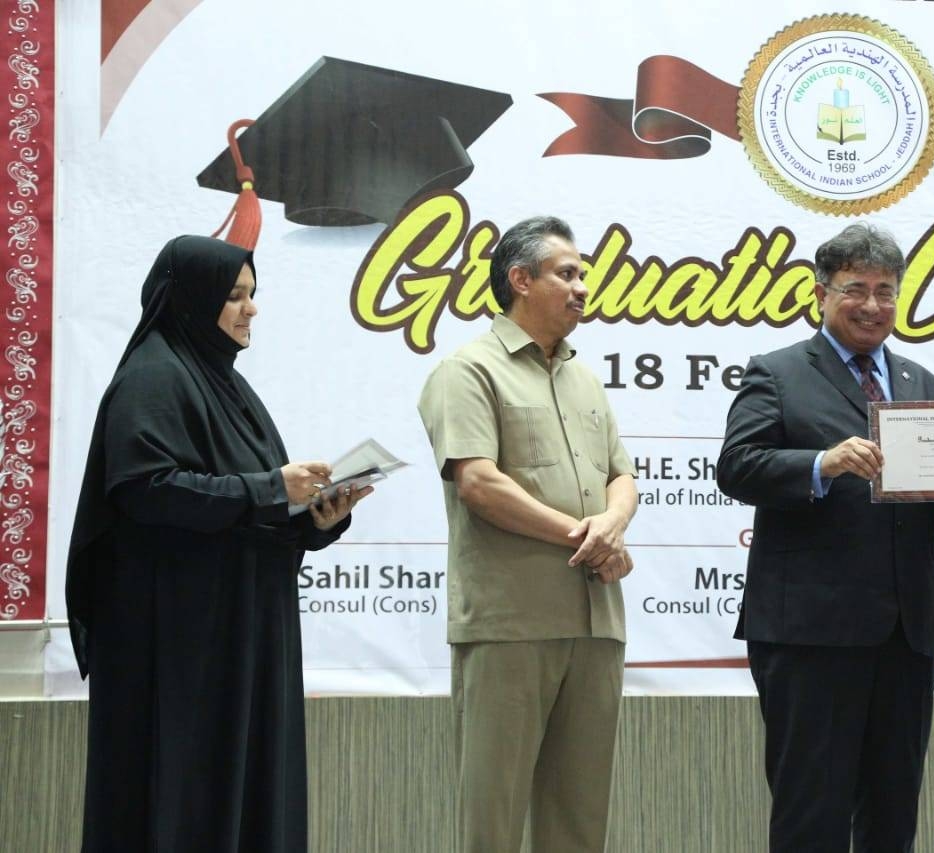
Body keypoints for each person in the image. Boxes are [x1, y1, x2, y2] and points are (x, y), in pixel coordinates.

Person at [65, 235, 371, 853]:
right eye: (233, 296)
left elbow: (246, 508)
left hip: (237, 634)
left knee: (247, 788)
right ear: (190, 299)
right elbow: (145, 490)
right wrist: (269, 487)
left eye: (252, 295)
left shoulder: (225, 386)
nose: (250, 309)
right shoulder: (153, 377)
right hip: (179, 644)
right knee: (181, 794)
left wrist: (315, 518)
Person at [716, 222, 934, 852]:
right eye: (855, 289)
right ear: (821, 294)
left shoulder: (925, 385)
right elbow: (736, 466)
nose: (872, 305)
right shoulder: (777, 374)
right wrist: (821, 463)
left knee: (893, 809)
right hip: (811, 631)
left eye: (886, 291)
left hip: (906, 633)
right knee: (813, 809)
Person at [418, 215, 637, 853]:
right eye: (566, 274)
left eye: (582, 276)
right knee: (494, 814)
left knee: (579, 817)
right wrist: (586, 534)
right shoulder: (467, 371)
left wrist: (613, 522)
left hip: (595, 621)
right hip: (510, 622)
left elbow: (622, 476)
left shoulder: (585, 376)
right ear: (520, 279)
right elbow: (479, 485)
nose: (581, 288)